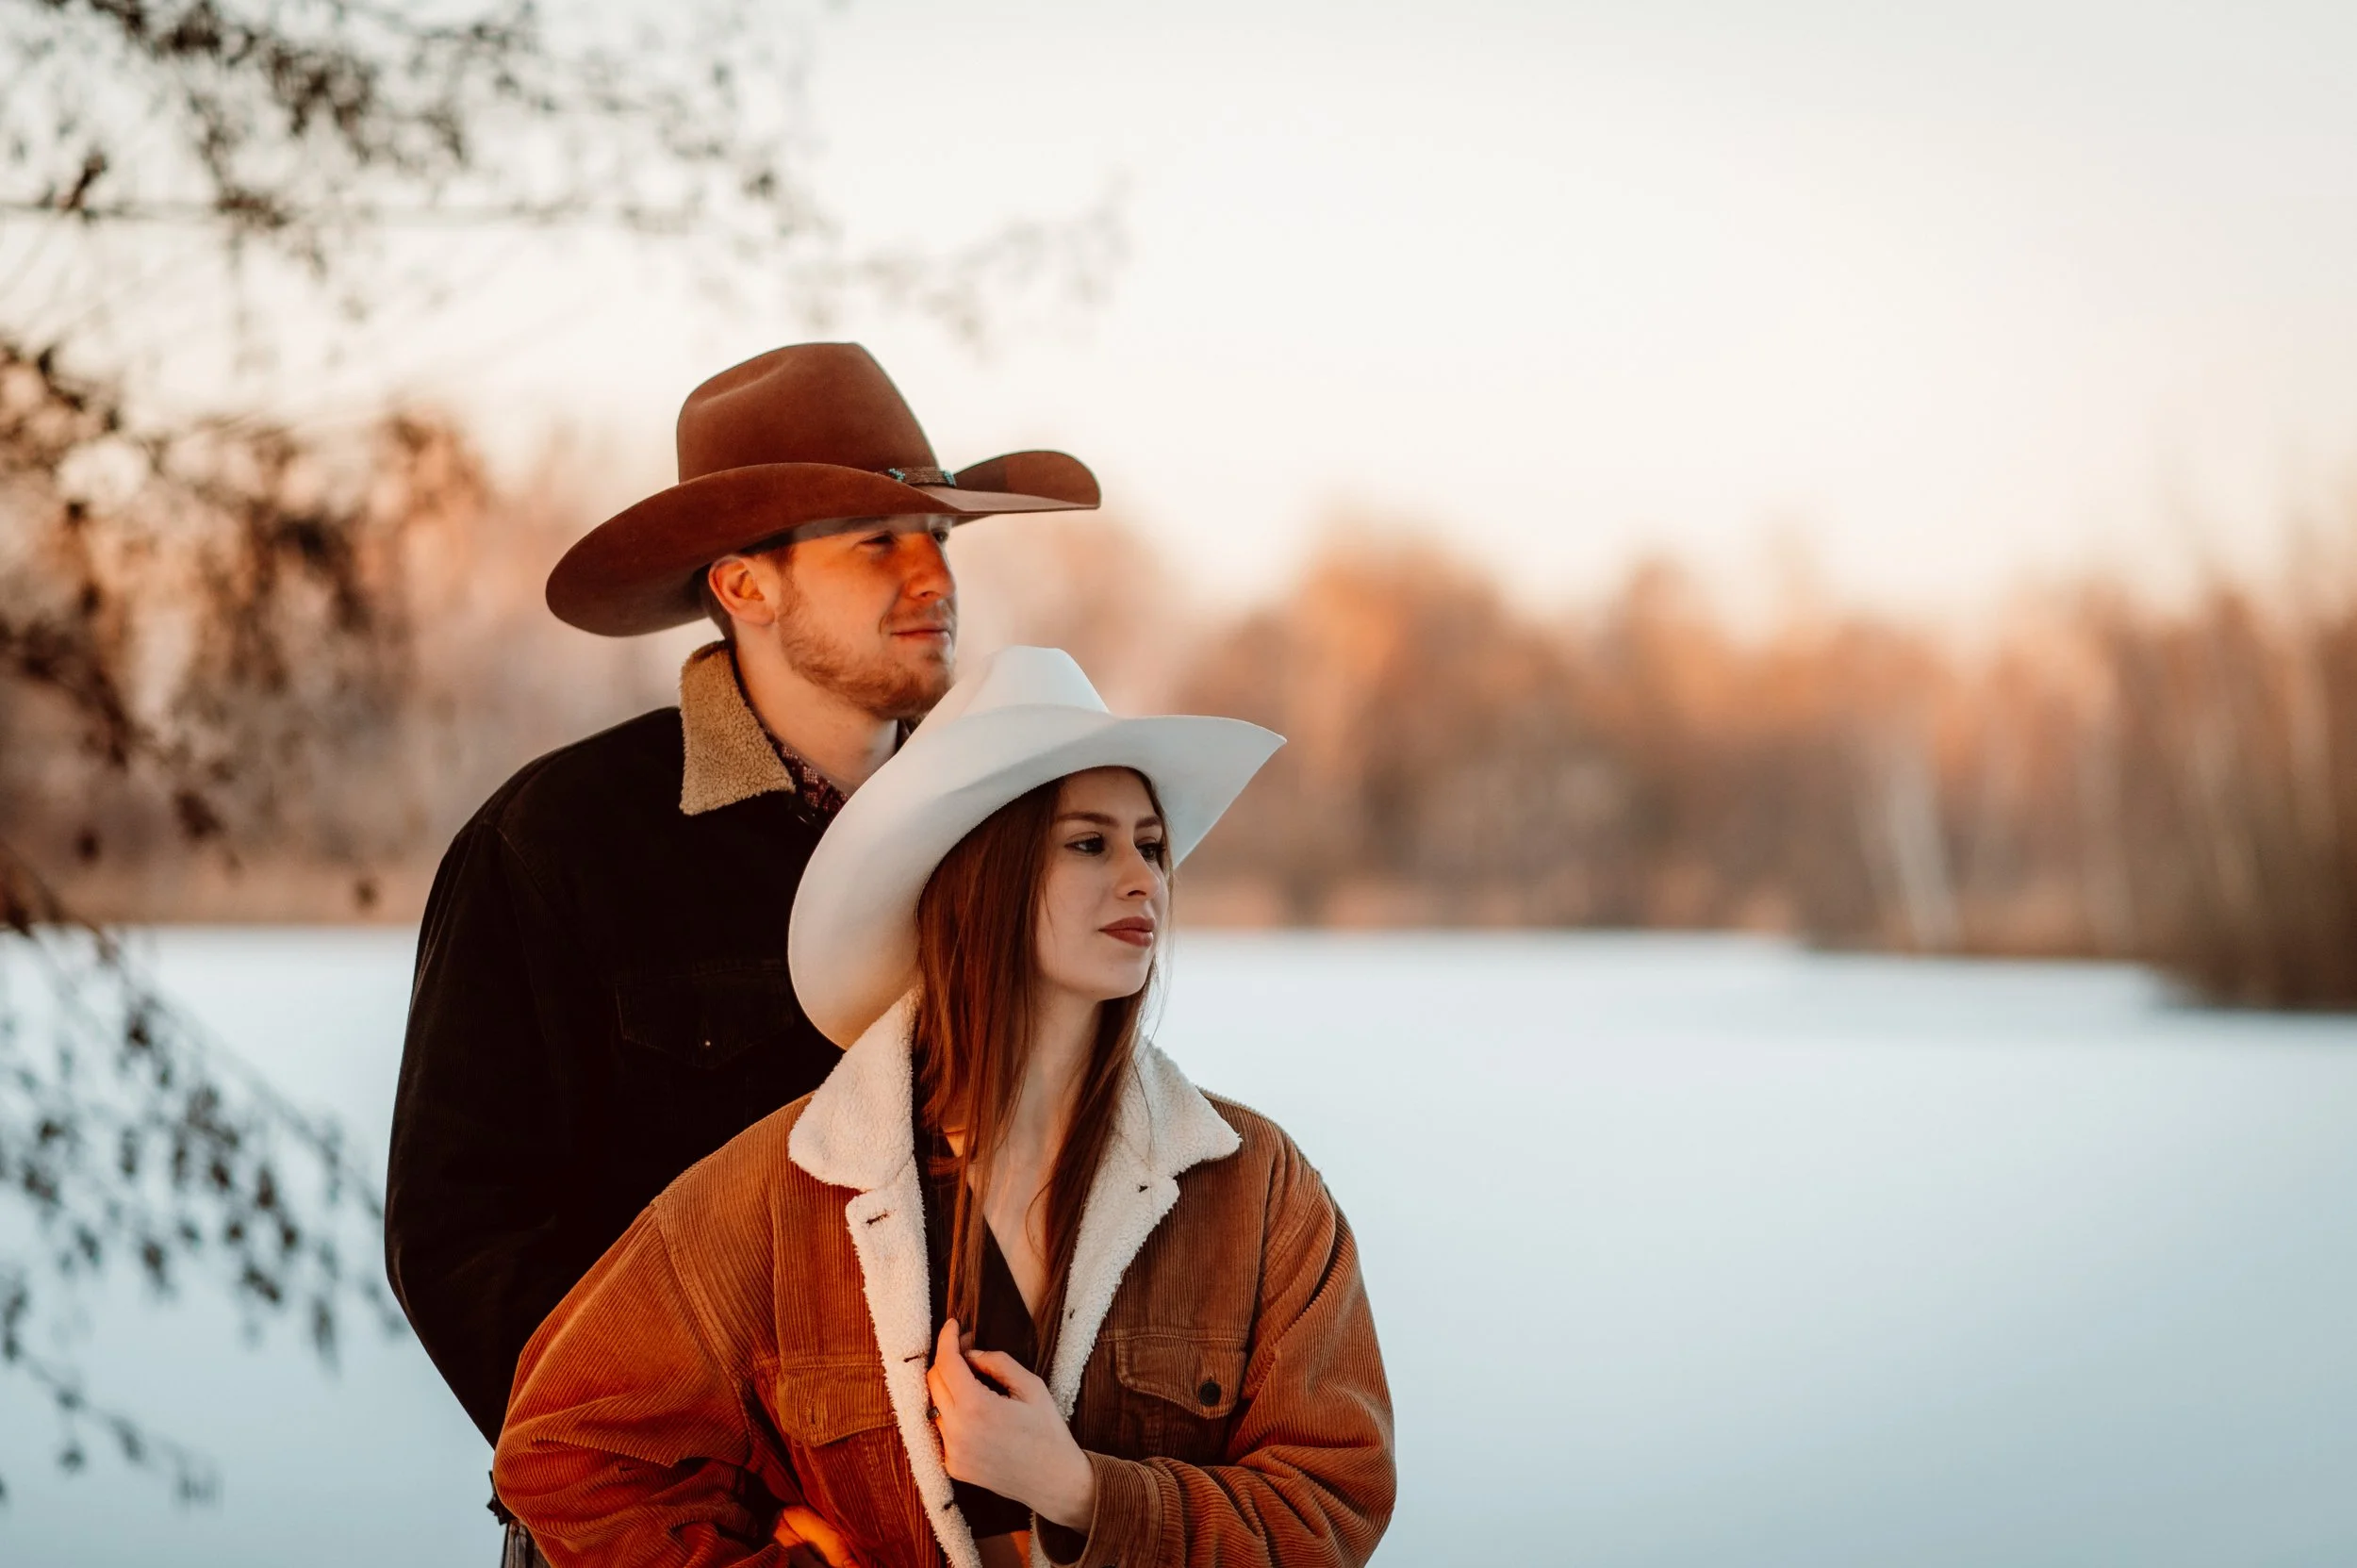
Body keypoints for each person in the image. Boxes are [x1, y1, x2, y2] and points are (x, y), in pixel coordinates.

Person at [383, 344, 1100, 1561]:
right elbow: (462, 1241)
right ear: (744, 584)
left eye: (938, 534)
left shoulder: (1003, 830)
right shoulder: (561, 841)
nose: (932, 573)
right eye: (875, 539)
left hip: (975, 1524)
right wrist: (692, 1510)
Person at [492, 646, 1394, 1568]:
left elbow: (1330, 1503)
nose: (1142, 879)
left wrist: (1078, 1490)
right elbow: (565, 1453)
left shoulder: (1255, 1190)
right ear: (982, 878)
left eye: (1151, 845)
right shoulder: (778, 1195)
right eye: (1091, 842)